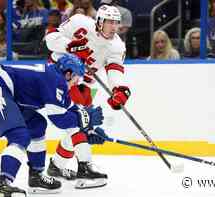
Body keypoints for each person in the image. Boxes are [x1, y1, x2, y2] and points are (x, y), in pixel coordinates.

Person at [0, 53, 104, 196]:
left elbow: (71, 109)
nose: (76, 82)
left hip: (4, 92)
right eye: (76, 78)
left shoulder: (55, 77)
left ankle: (36, 177)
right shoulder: (56, 80)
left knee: (36, 125)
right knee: (20, 136)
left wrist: (89, 130)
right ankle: (3, 184)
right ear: (68, 74)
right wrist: (86, 120)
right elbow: (59, 118)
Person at [45, 5, 130, 189]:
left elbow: (114, 70)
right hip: (61, 76)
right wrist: (69, 46)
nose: (113, 27)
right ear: (99, 21)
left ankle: (56, 166)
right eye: (109, 22)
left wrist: (120, 90)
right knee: (79, 123)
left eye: (116, 23)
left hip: (83, 86)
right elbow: (50, 39)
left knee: (81, 126)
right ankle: (85, 167)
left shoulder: (117, 46)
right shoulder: (79, 21)